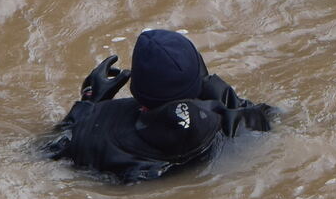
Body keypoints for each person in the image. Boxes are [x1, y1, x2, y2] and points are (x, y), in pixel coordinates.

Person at [45, 29, 275, 183]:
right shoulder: (227, 119)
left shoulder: (95, 128)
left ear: (136, 89)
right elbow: (270, 116)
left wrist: (89, 101)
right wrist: (206, 82)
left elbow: (47, 151)